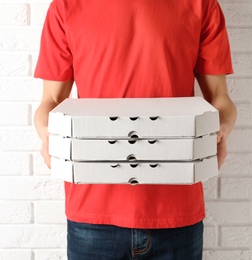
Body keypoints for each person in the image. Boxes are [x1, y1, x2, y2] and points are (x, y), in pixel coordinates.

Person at [34, 0, 237, 259]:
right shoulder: (66, 7)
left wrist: (220, 129)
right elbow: (50, 102)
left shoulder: (201, 5)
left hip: (175, 208)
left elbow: (220, 98)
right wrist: (46, 134)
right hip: (93, 210)